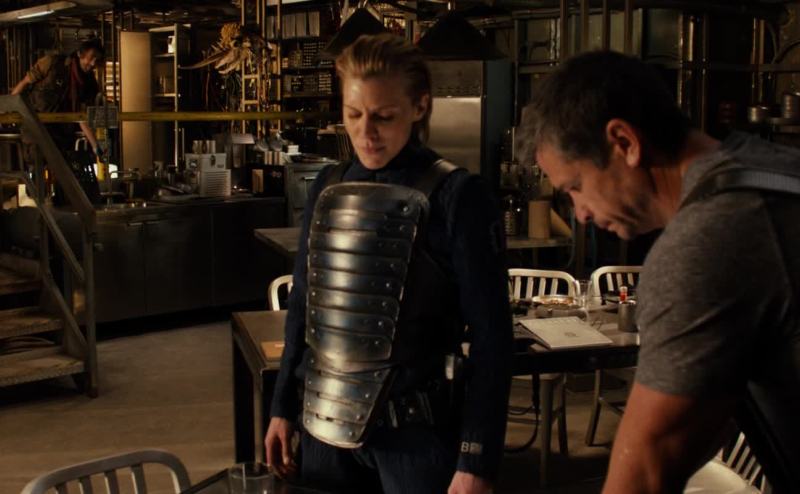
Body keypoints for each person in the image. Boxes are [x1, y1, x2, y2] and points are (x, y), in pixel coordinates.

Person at [522, 50, 800, 493]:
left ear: (625, 143)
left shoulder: (707, 242)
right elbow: (706, 418)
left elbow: (647, 469)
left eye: (575, 188)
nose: (581, 215)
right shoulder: (773, 169)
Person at [264, 33, 513, 494]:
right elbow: (303, 306)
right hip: (324, 429)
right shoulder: (328, 186)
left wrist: (476, 458)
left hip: (417, 438)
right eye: (353, 114)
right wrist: (282, 407)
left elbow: (492, 337)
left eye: (383, 116)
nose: (366, 133)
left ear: (420, 106)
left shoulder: (458, 196)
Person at [11, 38, 104, 158]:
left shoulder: (89, 84)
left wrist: (95, 146)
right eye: (91, 58)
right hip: (35, 122)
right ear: (80, 54)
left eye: (97, 60)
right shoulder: (53, 63)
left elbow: (81, 116)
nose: (93, 63)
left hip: (60, 132)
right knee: (37, 158)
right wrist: (8, 107)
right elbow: (25, 82)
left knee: (59, 163)